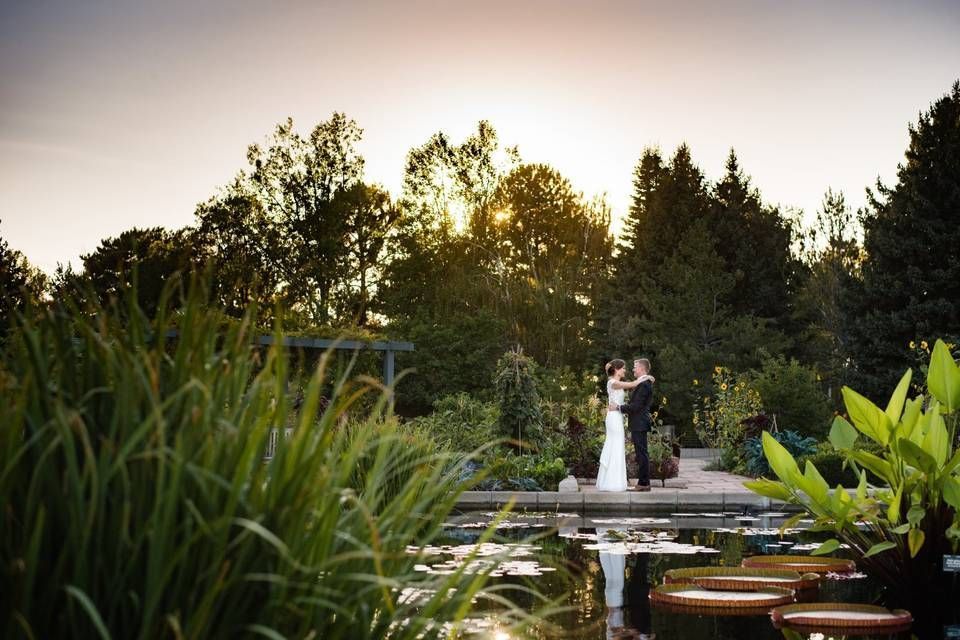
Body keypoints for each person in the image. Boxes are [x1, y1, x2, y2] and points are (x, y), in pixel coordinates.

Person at [597, 360, 653, 492]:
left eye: (633, 367)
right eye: (623, 368)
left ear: (641, 368)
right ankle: (614, 482)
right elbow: (632, 384)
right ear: (616, 369)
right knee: (616, 447)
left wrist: (647, 377)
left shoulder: (642, 384)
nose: (627, 370)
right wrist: (647, 377)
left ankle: (640, 483)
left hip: (623, 418)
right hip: (614, 418)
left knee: (624, 449)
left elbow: (636, 405)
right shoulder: (613, 382)